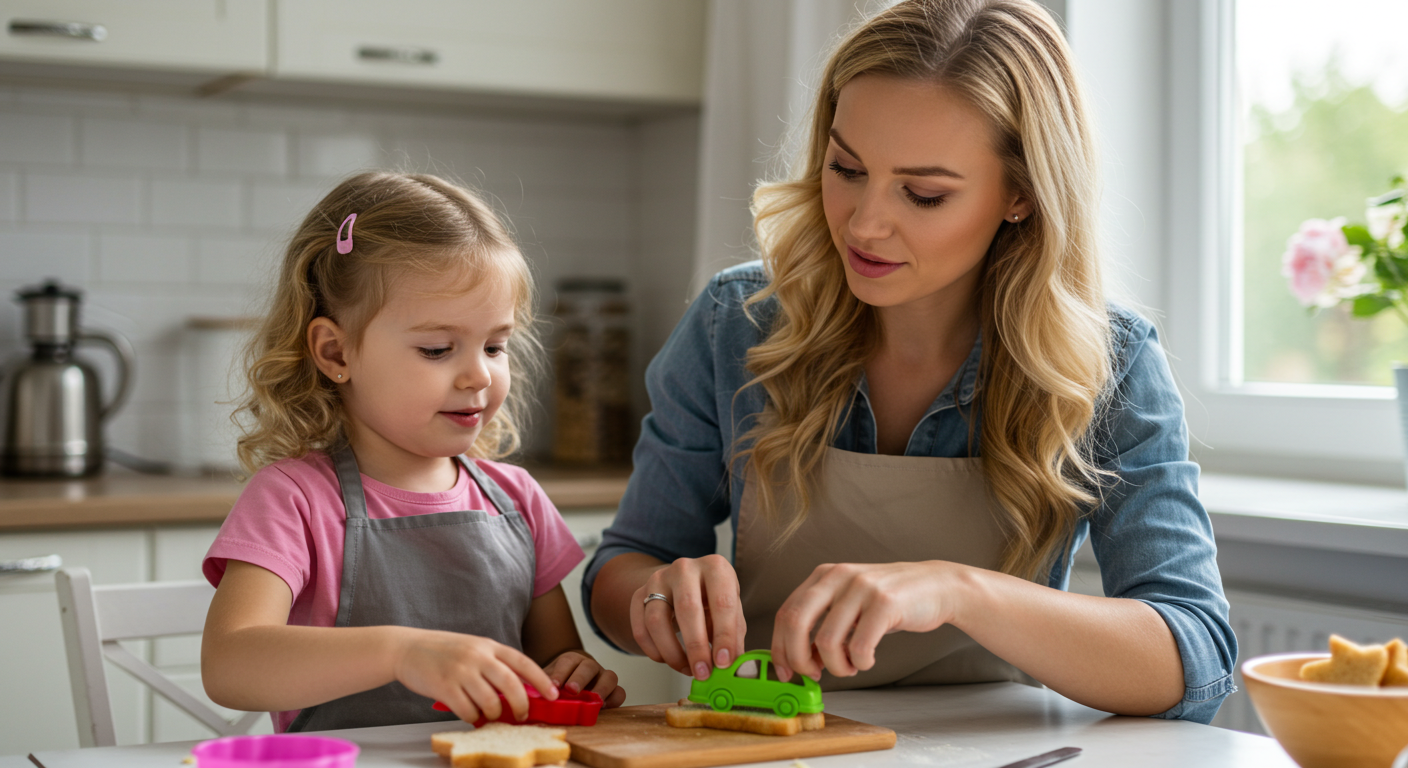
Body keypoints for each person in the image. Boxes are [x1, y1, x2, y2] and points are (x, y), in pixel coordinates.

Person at [584, 0, 1236, 724]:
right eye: (847, 168)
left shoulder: (1110, 363)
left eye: (923, 194)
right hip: (769, 740)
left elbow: (1195, 656)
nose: (864, 224)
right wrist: (655, 596)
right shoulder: (733, 324)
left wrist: (959, 591)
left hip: (994, 748)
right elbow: (623, 567)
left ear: (1020, 194)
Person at [201, 171, 626, 733]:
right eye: (437, 349)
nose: (479, 374)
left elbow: (551, 671)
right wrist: (400, 654)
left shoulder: (517, 501)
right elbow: (229, 665)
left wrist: (578, 676)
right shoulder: (295, 499)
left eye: (496, 345)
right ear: (336, 351)